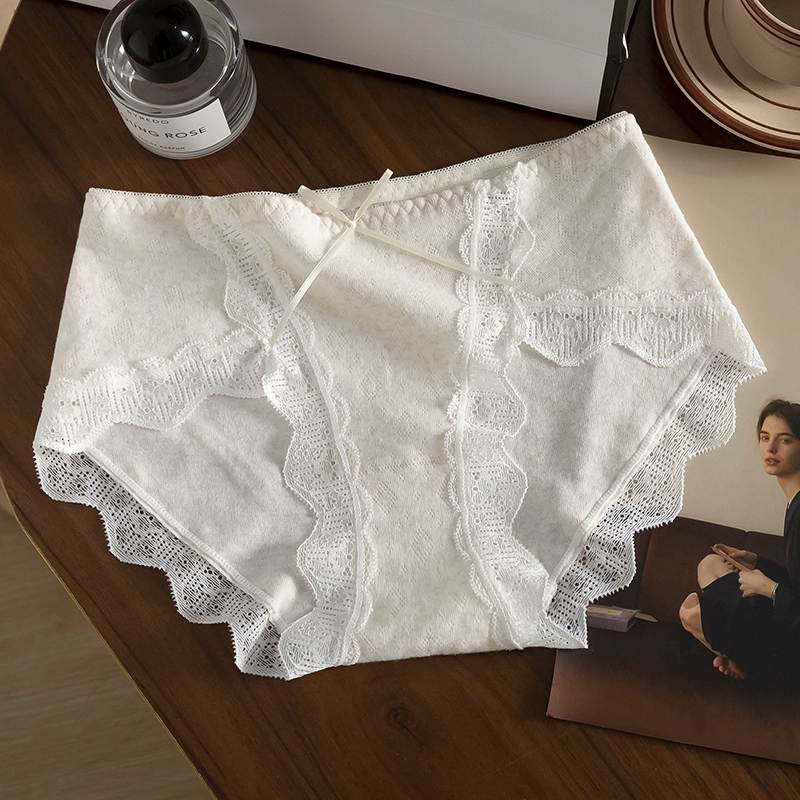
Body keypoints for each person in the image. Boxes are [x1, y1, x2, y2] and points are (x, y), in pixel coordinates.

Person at [679, 399, 800, 680]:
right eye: (765, 438)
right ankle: (740, 653)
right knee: (710, 564)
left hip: (793, 634)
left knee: (691, 612)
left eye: (784, 440)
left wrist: (768, 588)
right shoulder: (793, 502)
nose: (771, 449)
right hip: (787, 611)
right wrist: (756, 562)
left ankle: (750, 666)